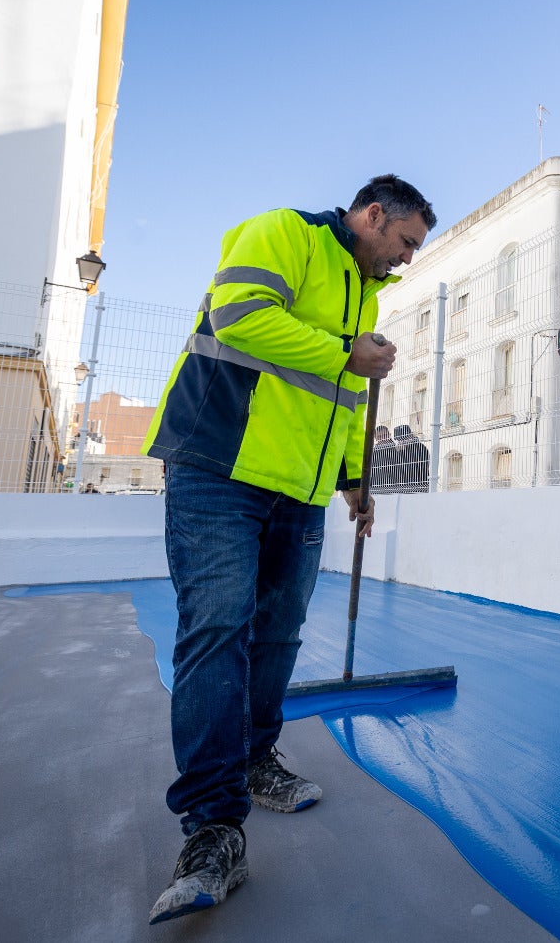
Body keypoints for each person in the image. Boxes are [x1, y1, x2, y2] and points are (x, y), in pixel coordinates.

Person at [140, 175, 436, 924]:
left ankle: (253, 758)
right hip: (220, 465)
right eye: (405, 243)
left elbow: (339, 402)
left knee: (277, 633)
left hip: (300, 488)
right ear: (373, 215)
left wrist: (354, 481)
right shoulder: (284, 233)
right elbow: (239, 316)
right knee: (218, 629)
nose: (406, 260)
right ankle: (212, 829)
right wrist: (343, 351)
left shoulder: (365, 297)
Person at [391, 423, 431, 493]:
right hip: (404, 487)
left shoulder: (420, 448)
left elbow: (415, 466)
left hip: (419, 485)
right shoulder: (398, 449)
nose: (402, 441)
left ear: (411, 435)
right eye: (399, 439)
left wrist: (403, 452)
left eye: (404, 438)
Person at [368, 424, 401, 495]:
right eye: (379, 437)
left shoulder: (397, 449)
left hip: (394, 487)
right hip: (376, 488)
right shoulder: (372, 452)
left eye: (385, 435)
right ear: (375, 438)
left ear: (389, 435)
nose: (383, 439)